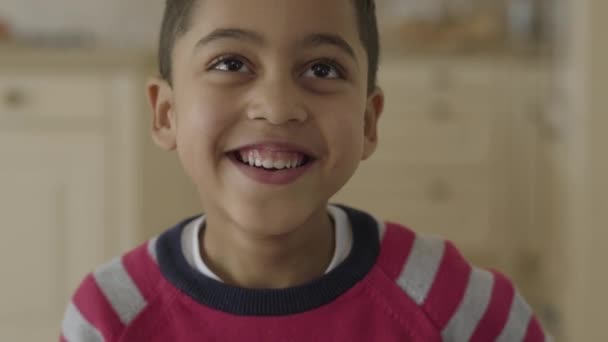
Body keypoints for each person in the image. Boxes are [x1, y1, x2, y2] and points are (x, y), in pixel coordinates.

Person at [60, 0, 551, 341]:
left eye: (322, 69)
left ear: (367, 121)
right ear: (166, 114)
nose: (276, 107)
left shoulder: (453, 302)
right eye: (231, 63)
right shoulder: (110, 316)